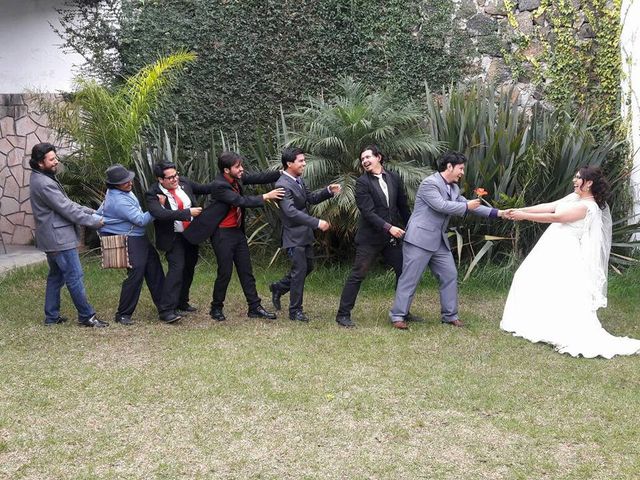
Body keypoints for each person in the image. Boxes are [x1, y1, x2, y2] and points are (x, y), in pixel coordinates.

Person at [500, 166, 640, 358]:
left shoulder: (587, 206)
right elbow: (549, 206)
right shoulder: (575, 198)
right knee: (527, 278)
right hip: (550, 245)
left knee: (561, 288)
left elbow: (556, 217)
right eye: (574, 177)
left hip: (566, 249)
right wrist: (519, 209)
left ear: (589, 183)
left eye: (578, 178)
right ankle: (534, 321)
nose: (574, 180)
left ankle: (558, 327)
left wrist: (524, 216)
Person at [389, 151, 506, 330]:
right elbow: (442, 206)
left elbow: (467, 205)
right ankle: (398, 316)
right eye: (460, 168)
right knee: (410, 278)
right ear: (449, 166)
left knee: (449, 275)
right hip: (419, 239)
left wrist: (497, 213)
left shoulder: (454, 188)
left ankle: (450, 316)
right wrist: (466, 206)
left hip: (438, 241)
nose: (462, 172)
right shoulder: (430, 183)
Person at [183, 151, 283, 321]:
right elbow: (239, 201)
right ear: (226, 170)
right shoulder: (219, 185)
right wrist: (265, 196)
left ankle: (254, 307)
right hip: (222, 233)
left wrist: (281, 173)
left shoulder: (237, 178)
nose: (241, 169)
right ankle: (216, 307)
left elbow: (257, 177)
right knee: (225, 272)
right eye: (238, 167)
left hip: (237, 232)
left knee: (246, 271)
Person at [28, 143, 108, 327]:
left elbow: (67, 203)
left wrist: (91, 211)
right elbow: (67, 209)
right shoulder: (44, 183)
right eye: (52, 159)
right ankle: (86, 316)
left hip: (53, 238)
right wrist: (94, 221)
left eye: (56, 157)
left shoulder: (42, 177)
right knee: (74, 276)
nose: (56, 161)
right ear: (40, 163)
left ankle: (51, 317)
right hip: (58, 240)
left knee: (56, 277)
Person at [335, 145, 414, 328]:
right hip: (370, 239)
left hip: (391, 239)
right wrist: (389, 228)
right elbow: (368, 213)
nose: (365, 161)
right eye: (362, 159)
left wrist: (411, 227)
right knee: (358, 274)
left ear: (379, 157)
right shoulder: (362, 182)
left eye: (368, 157)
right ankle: (343, 314)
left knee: (404, 272)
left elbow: (403, 206)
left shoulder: (393, 177)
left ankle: (402, 312)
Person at [269, 147, 341, 322]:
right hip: (294, 237)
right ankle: (295, 311)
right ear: (289, 163)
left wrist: (328, 191)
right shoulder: (282, 185)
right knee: (300, 271)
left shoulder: (298, 180)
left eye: (303, 160)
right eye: (300, 161)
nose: (304, 164)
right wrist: (317, 223)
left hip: (305, 235)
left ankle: (278, 287)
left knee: (308, 268)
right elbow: (291, 212)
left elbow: (310, 198)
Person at [97, 164, 165, 325]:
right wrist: (159, 207)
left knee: (154, 268)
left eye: (129, 179)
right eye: (124, 182)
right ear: (114, 185)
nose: (129, 183)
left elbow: (100, 211)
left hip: (138, 238)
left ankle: (165, 306)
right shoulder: (119, 200)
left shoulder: (118, 192)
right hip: (131, 239)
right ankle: (123, 314)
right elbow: (141, 220)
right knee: (136, 274)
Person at [145, 162, 209, 323]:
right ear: (160, 179)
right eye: (170, 177)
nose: (175, 179)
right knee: (176, 269)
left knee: (189, 268)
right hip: (173, 237)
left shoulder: (185, 183)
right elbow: (160, 214)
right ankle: (166, 310)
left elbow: (205, 188)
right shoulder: (153, 193)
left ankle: (182, 301)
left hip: (190, 234)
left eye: (176, 175)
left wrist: (226, 182)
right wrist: (187, 213)